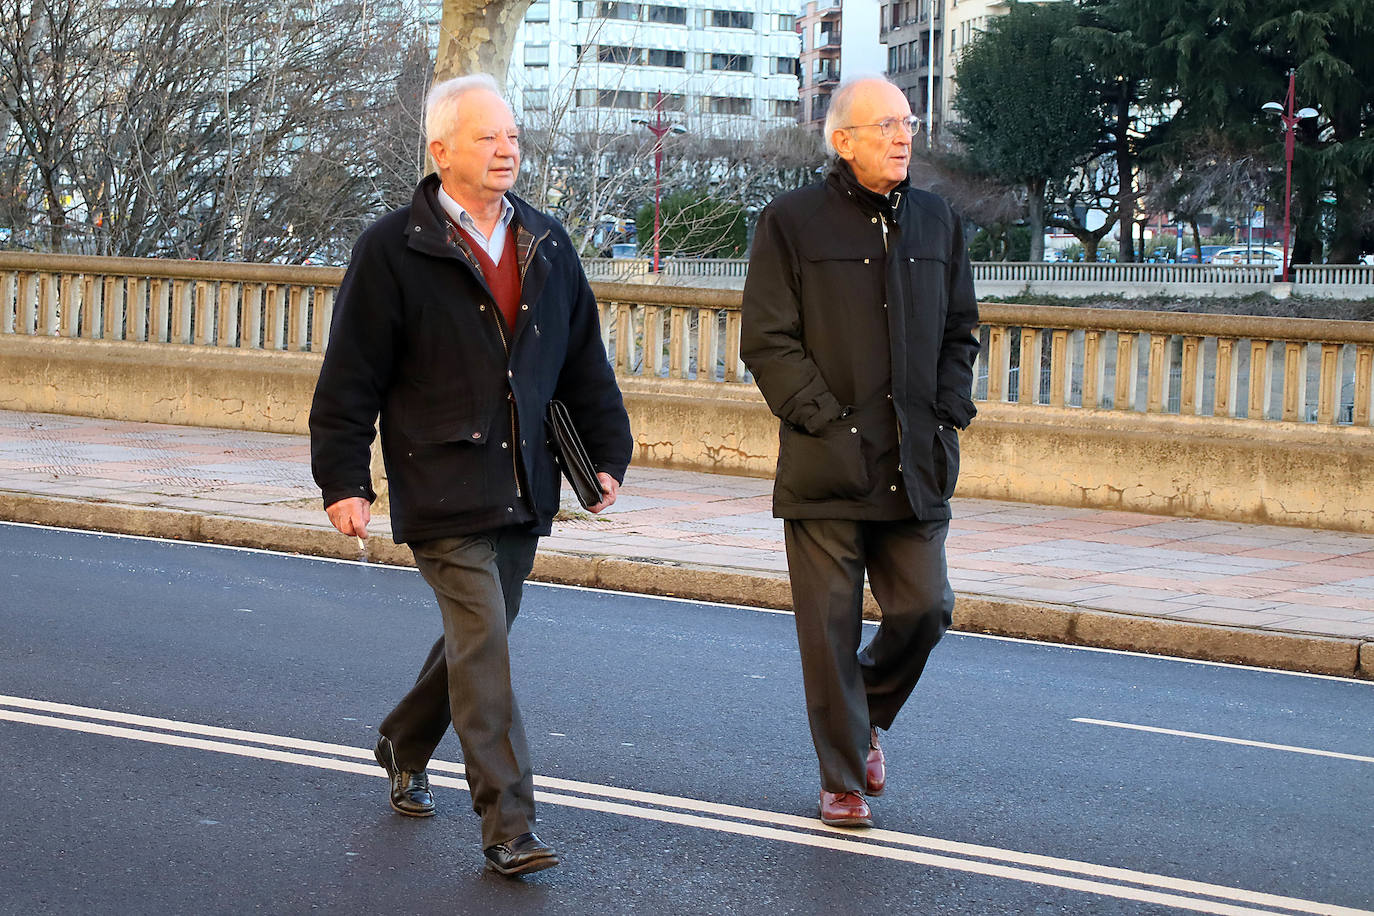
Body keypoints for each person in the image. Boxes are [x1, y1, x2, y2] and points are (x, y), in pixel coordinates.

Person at [309, 73, 632, 876]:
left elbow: (584, 360)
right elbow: (350, 377)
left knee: (474, 644)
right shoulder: (392, 248)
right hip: (440, 484)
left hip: (524, 485)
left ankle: (402, 739)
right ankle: (508, 826)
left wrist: (607, 453)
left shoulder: (547, 242)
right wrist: (343, 479)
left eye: (513, 135)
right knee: (486, 650)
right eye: (489, 136)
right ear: (441, 148)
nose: (507, 148)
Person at [741, 77, 980, 829]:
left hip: (916, 465)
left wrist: (947, 414)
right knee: (829, 629)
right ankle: (841, 777)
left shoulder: (939, 222)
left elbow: (960, 332)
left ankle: (865, 714)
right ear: (842, 139)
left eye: (908, 124)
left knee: (925, 607)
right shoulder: (790, 223)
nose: (903, 137)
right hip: (826, 466)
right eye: (885, 126)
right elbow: (767, 340)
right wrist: (826, 423)